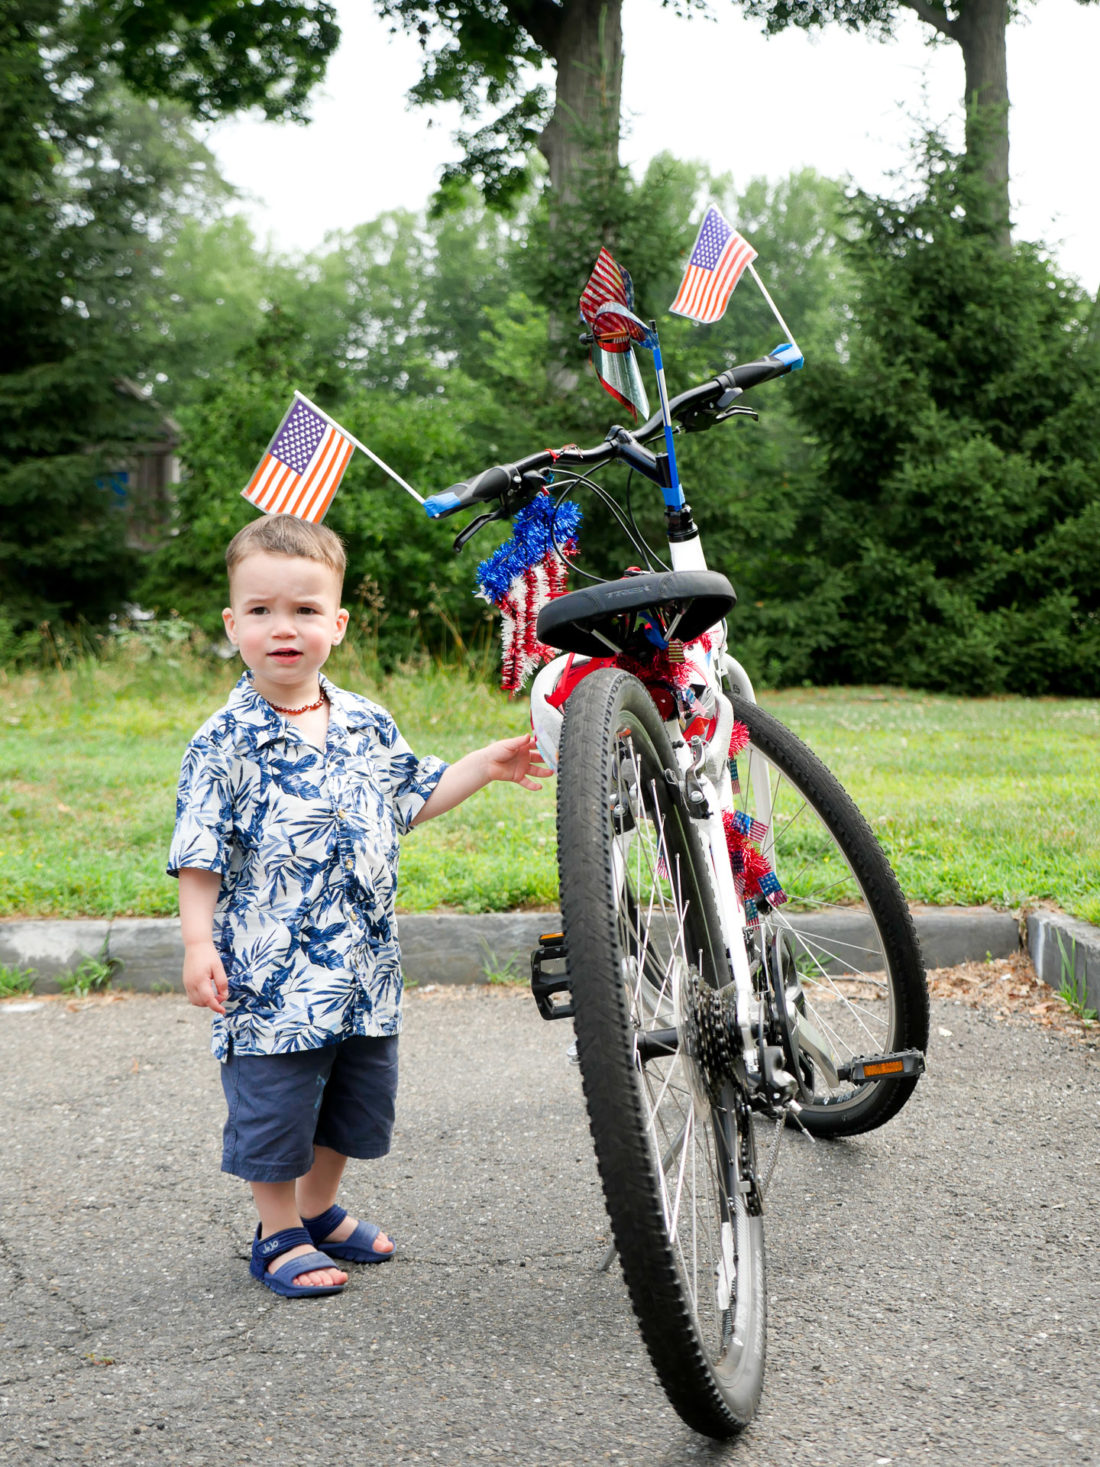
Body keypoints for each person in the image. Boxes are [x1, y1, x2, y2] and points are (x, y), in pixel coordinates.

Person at [168, 514, 550, 1298]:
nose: (284, 628)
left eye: (305, 611)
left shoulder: (366, 721)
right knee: (275, 1106)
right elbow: (199, 852)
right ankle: (275, 1232)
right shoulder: (223, 741)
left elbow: (413, 794)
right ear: (231, 622)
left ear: (336, 624)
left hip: (364, 968)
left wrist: (484, 763)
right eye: (263, 610)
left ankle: (319, 1208)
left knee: (352, 1099)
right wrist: (197, 943)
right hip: (271, 978)